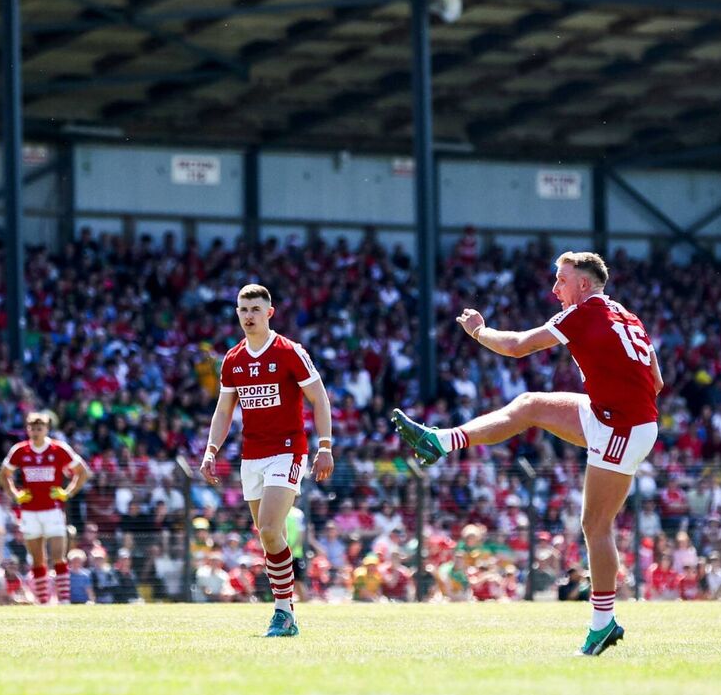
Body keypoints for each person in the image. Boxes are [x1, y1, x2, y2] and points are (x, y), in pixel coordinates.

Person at [392, 252, 662, 655]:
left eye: (561, 280)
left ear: (584, 285)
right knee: (530, 405)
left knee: (596, 525)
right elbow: (656, 381)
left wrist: (479, 332)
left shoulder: (582, 314)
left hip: (621, 426)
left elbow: (518, 347)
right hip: (616, 415)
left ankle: (603, 624)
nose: (555, 289)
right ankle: (440, 441)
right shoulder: (626, 315)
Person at [199, 284, 334, 637]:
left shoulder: (289, 351)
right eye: (243, 310)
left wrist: (325, 446)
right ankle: (287, 610)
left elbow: (319, 399)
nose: (249, 316)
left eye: (256, 309)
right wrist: (211, 449)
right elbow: (224, 409)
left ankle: (282, 612)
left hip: (288, 450)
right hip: (252, 455)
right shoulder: (232, 359)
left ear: (269, 313)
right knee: (267, 537)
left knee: (272, 528)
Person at [0, 410, 91, 605]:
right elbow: (3, 474)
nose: (35, 432)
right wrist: (15, 494)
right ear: (27, 429)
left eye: (39, 428)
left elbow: (82, 472)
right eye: (32, 428)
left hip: (53, 511)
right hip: (29, 512)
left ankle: (64, 601)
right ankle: (43, 601)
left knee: (58, 556)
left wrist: (68, 493)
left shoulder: (59, 449)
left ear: (47, 429)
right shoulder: (20, 451)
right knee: (38, 560)